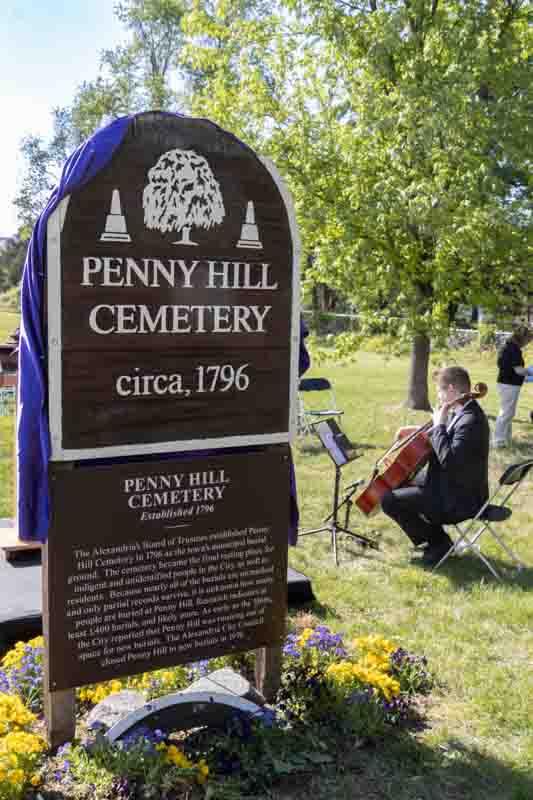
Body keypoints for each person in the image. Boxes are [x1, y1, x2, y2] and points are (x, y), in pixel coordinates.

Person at [381, 366, 490, 566]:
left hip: (459, 499)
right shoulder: (463, 411)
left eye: (439, 392)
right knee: (398, 482)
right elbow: (448, 441)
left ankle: (438, 542)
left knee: (389, 500)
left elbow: (450, 460)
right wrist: (427, 429)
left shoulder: (471, 421)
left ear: (450, 389)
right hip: (452, 486)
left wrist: (438, 425)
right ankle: (436, 540)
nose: (438, 397)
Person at [493, 324, 533, 448]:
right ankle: (498, 440)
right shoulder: (514, 350)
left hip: (506, 383)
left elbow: (510, 369)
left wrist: (526, 377)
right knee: (506, 413)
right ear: (522, 338)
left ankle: (506, 438)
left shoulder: (507, 347)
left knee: (509, 413)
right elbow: (519, 370)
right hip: (509, 385)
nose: (528, 343)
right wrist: (530, 371)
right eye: (528, 340)